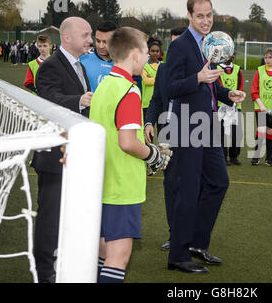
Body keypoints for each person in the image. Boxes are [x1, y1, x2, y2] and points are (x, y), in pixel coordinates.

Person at [164, 0, 245, 273]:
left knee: (219, 182)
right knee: (187, 190)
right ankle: (178, 254)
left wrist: (227, 94)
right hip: (186, 125)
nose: (206, 20)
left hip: (208, 124)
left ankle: (197, 243)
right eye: (200, 16)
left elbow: (209, 87)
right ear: (189, 16)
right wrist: (197, 78)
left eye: (209, 15)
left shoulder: (210, 44)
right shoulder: (179, 46)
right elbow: (170, 88)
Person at [90, 27, 172, 283]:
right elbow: (127, 143)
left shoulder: (104, 85)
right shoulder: (129, 89)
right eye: (147, 51)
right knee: (118, 258)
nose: (149, 57)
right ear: (135, 54)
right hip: (122, 185)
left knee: (103, 255)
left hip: (103, 181)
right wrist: (154, 155)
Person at [31, 17, 93, 282]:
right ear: (66, 37)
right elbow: (47, 100)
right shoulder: (51, 66)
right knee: (50, 218)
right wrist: (78, 100)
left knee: (70, 216)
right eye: (86, 35)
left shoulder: (79, 65)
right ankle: (45, 273)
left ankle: (64, 264)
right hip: (54, 156)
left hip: (75, 154)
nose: (90, 40)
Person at [144, 26, 186, 252]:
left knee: (192, 186)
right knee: (171, 185)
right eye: (174, 43)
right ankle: (175, 233)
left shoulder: (198, 70)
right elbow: (157, 101)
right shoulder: (163, 70)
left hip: (193, 136)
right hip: (167, 137)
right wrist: (149, 122)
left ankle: (192, 233)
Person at [218, 52, 244, 165]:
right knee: (221, 132)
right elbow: (218, 86)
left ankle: (234, 156)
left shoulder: (237, 69)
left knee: (236, 132)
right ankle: (223, 156)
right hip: (221, 106)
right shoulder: (218, 68)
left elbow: (241, 84)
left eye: (233, 54)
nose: (232, 56)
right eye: (229, 54)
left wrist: (237, 98)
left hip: (236, 105)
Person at [80, 21, 116, 93]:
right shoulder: (83, 60)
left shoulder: (123, 63)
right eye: (98, 41)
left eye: (105, 42)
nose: (101, 46)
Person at [141, 39, 162, 119]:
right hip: (147, 103)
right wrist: (160, 79)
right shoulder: (144, 65)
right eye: (152, 51)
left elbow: (166, 80)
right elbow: (146, 81)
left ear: (160, 52)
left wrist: (152, 78)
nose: (155, 53)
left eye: (157, 51)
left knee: (162, 130)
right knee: (147, 129)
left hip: (160, 102)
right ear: (148, 52)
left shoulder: (163, 65)